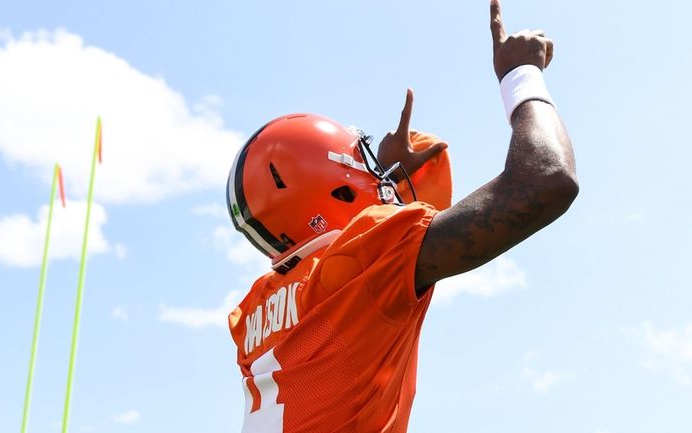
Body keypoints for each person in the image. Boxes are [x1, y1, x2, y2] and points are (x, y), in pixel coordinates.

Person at [225, 1, 578, 431]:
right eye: (361, 160)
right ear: (330, 180)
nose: (373, 171)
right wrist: (520, 74)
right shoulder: (365, 257)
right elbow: (546, 180)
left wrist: (384, 179)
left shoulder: (255, 309)